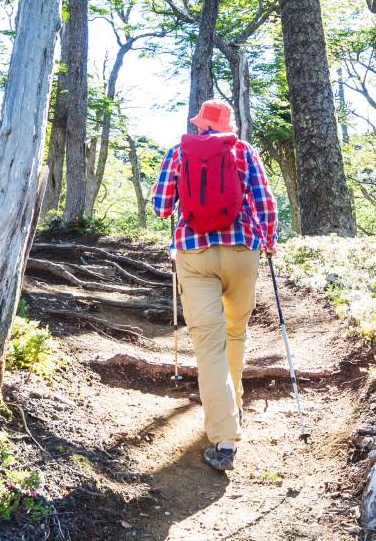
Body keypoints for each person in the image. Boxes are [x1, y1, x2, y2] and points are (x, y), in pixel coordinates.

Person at [150, 99, 277, 472]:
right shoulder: (243, 151)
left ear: (200, 124)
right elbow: (265, 203)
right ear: (228, 125)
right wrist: (267, 242)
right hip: (241, 252)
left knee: (208, 345)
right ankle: (233, 404)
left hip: (194, 253)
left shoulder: (179, 151)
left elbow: (161, 206)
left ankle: (224, 438)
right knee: (235, 332)